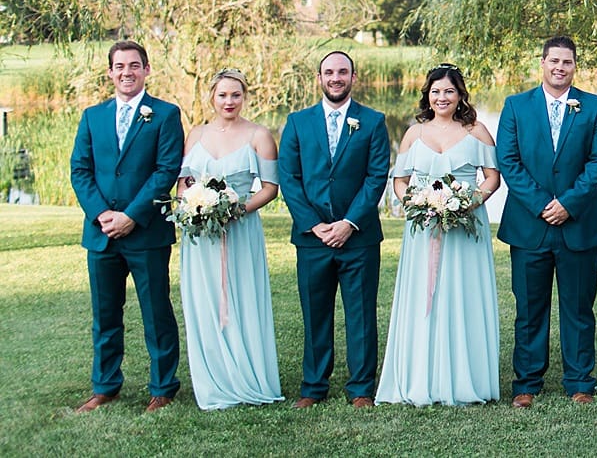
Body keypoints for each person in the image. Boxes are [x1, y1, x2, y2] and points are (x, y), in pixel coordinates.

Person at [497, 35, 597, 407]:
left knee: (579, 307)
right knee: (529, 308)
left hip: (578, 223)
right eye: (554, 61)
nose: (560, 68)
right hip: (529, 225)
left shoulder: (594, 107)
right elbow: (508, 161)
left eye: (567, 62)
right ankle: (527, 383)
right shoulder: (515, 106)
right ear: (542, 63)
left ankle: (579, 381)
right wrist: (543, 204)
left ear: (575, 66)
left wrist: (568, 203)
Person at [69, 40, 185, 413]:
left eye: (134, 65)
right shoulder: (92, 116)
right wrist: (101, 213)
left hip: (146, 232)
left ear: (146, 70)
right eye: (119, 67)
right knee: (105, 315)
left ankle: (163, 387)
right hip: (101, 233)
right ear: (110, 73)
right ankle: (105, 386)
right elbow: (80, 170)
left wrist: (131, 216)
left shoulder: (165, 115)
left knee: (156, 312)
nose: (127, 72)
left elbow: (165, 170)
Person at [377, 64, 501, 405]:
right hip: (423, 229)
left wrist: (466, 203)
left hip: (465, 228)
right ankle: (421, 376)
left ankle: (464, 377)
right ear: (427, 96)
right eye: (436, 91)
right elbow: (399, 181)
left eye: (448, 91)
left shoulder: (477, 131)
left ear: (460, 94)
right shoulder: (413, 134)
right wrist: (417, 204)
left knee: (461, 295)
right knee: (423, 299)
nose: (442, 97)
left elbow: (492, 177)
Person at [277, 50, 392, 408]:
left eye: (343, 72)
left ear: (353, 77)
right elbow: (289, 179)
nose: (336, 78)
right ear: (319, 77)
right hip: (312, 239)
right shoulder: (297, 122)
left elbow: (376, 178)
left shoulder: (372, 122)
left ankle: (360, 388)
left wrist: (348, 223)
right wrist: (315, 225)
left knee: (360, 313)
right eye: (329, 72)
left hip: (358, 237)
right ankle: (313, 387)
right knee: (315, 314)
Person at [178, 68, 283, 410]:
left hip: (240, 231)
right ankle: (213, 380)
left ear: (244, 97)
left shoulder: (259, 135)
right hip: (200, 235)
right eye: (222, 95)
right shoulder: (195, 135)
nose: (229, 101)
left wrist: (239, 209)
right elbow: (184, 182)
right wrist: (193, 206)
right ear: (212, 96)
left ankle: (247, 378)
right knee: (205, 301)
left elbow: (270, 188)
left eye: (235, 95)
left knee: (241, 300)